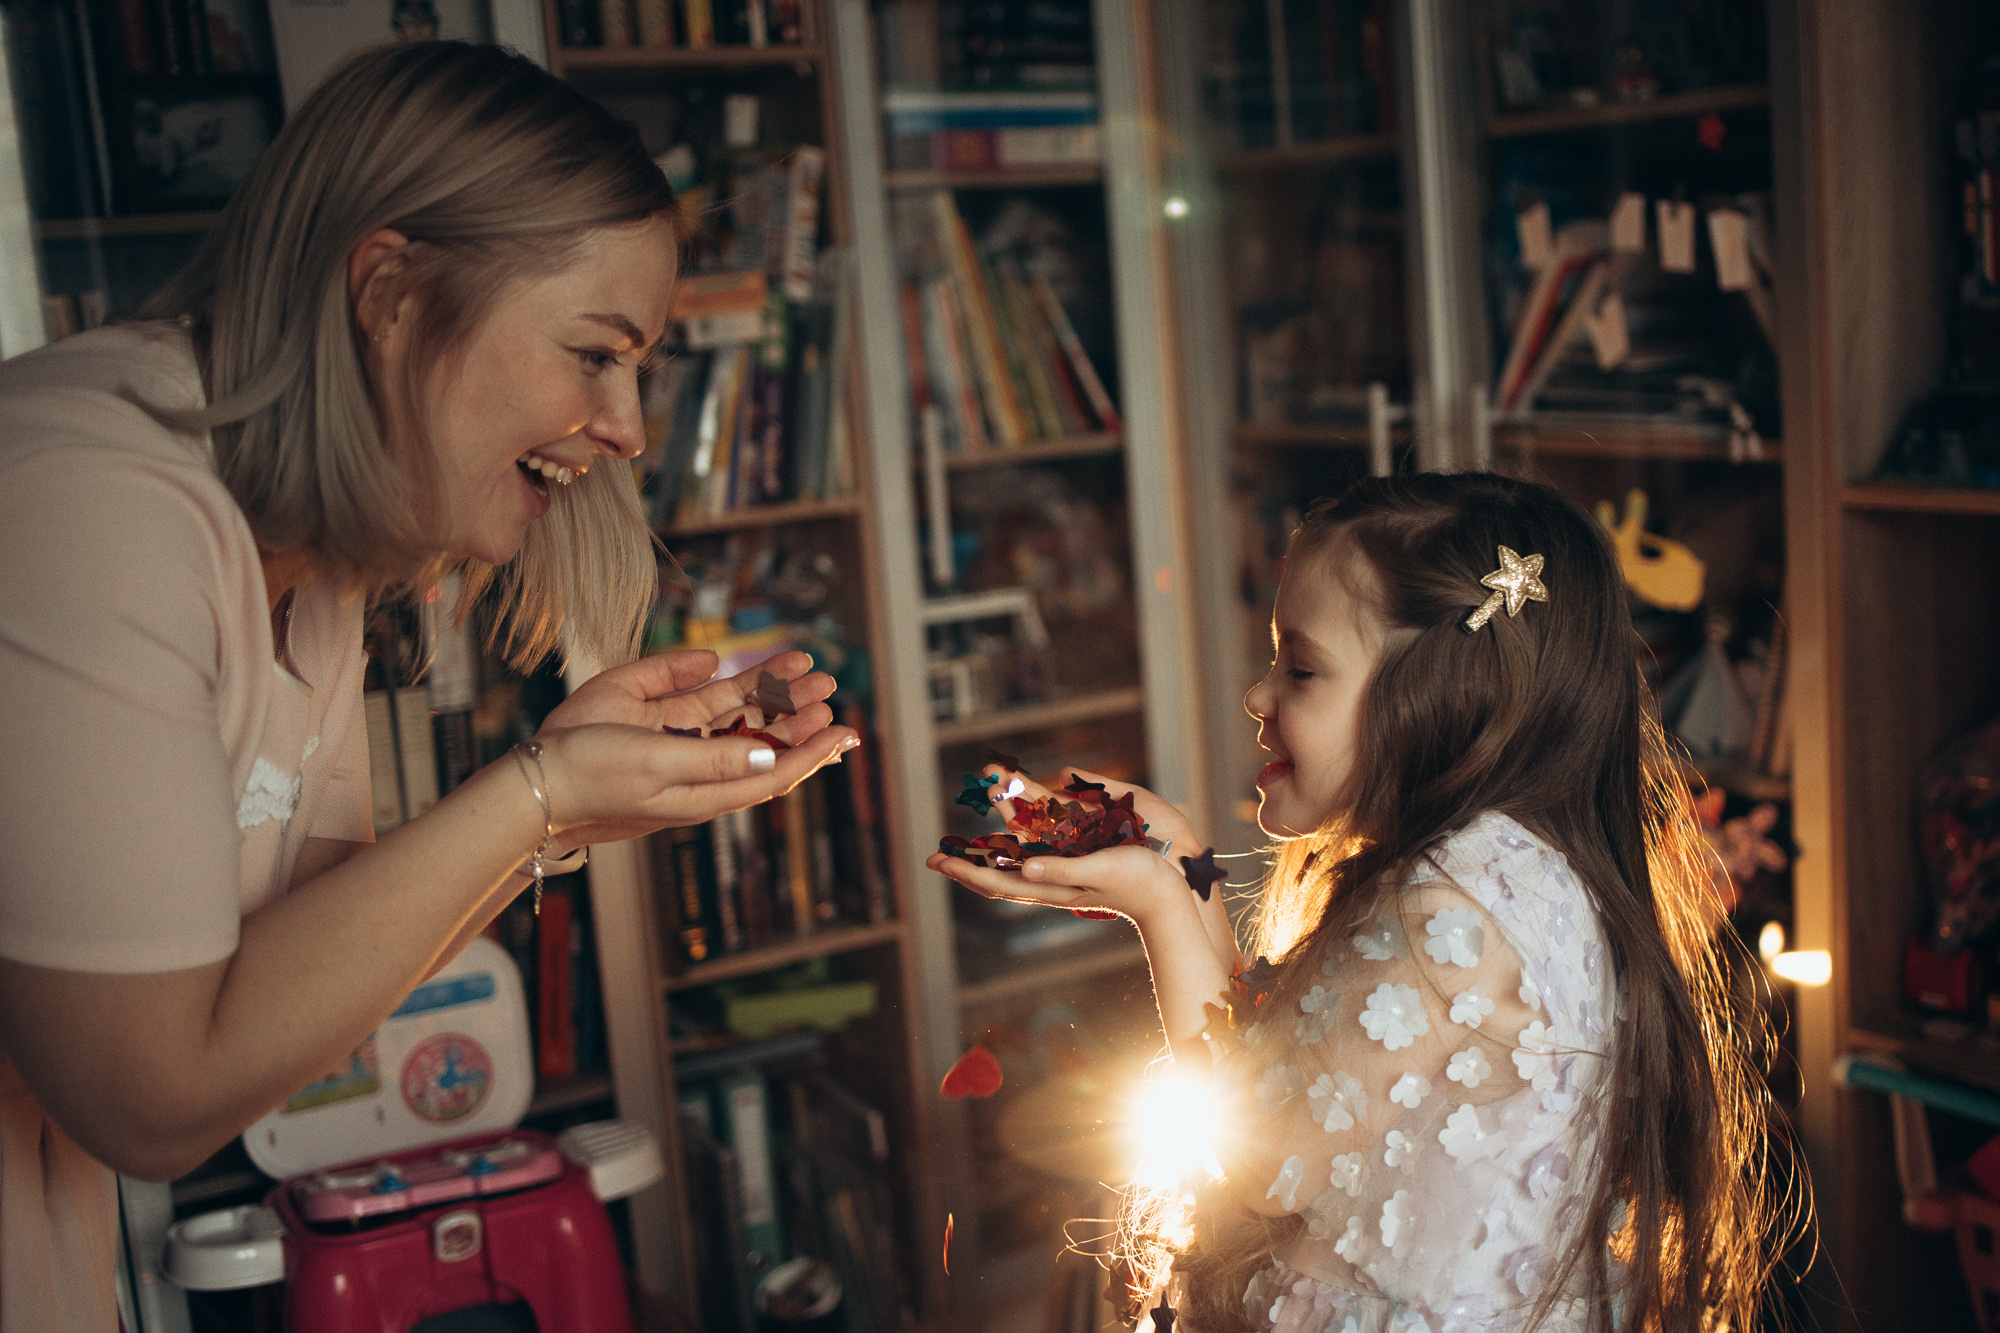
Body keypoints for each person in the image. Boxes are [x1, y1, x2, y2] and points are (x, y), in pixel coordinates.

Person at [0, 41, 854, 1331]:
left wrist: (570, 815)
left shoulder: (311, 557)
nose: (625, 428)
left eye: (640, 369)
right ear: (390, 292)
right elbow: (152, 1101)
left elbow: (307, 992)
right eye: (594, 352)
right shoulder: (90, 504)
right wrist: (535, 797)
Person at [930, 473, 1789, 1332]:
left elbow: (1257, 1153)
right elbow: (1269, 1058)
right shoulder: (1494, 870)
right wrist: (1181, 859)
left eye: (1301, 667)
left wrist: (1159, 903)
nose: (1258, 697)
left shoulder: (1453, 908)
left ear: (1446, 695)